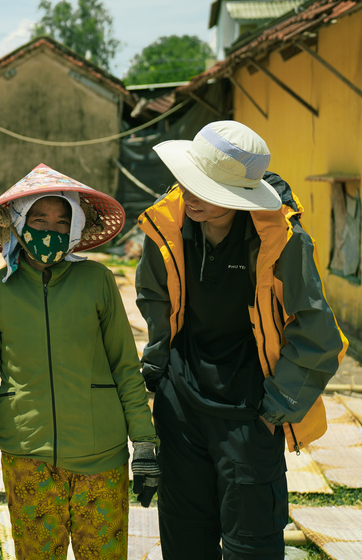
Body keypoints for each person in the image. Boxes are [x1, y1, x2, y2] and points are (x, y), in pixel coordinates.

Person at [135, 121, 348, 560]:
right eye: (188, 183)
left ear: (238, 197)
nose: (189, 196)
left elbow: (318, 333)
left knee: (251, 544)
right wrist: (159, 368)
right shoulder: (166, 225)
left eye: (205, 190)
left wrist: (277, 407)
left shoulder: (281, 240)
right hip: (181, 405)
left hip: (251, 410)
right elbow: (153, 296)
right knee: (184, 538)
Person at [0, 163, 160, 560]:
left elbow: (125, 366)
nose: (50, 230)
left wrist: (143, 442)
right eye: (39, 218)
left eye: (61, 220)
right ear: (18, 222)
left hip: (101, 458)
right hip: (27, 459)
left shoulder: (99, 281)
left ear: (74, 229)